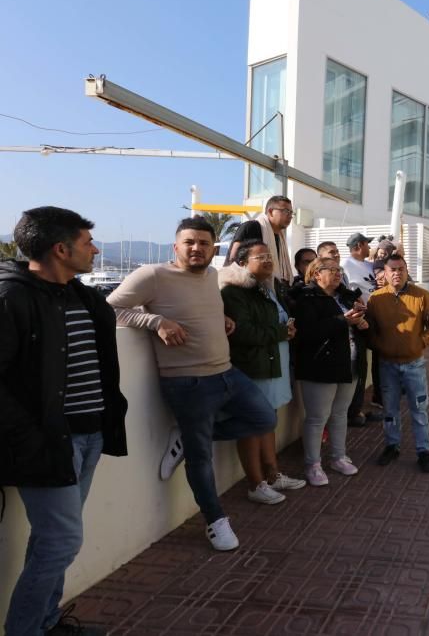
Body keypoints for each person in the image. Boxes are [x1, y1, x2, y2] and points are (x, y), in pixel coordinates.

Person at [109, 216, 277, 552]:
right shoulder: (153, 275)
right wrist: (155, 320)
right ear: (176, 246)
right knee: (201, 458)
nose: (196, 248)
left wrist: (222, 318)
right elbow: (110, 308)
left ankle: (185, 438)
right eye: (189, 242)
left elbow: (202, 307)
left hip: (226, 372)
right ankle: (215, 521)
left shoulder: (212, 274)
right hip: (187, 381)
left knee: (264, 419)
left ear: (213, 248)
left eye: (203, 243)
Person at [1, 207, 128, 636]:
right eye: (87, 242)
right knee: (62, 542)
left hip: (91, 434)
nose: (95, 250)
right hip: (47, 443)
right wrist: (30, 438)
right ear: (61, 248)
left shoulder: (85, 296)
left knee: (49, 541)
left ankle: (47, 622)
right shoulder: (12, 297)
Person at [219, 240, 306, 500]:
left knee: (268, 421)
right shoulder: (234, 292)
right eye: (261, 256)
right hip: (253, 368)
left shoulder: (267, 288)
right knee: (251, 425)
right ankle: (256, 484)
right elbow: (241, 332)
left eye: (270, 255)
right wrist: (281, 332)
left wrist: (287, 330)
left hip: (272, 363)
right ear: (243, 262)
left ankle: (273, 474)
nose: (268, 260)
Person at [293, 258, 368, 484]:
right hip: (320, 366)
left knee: (339, 414)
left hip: (349, 363)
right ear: (316, 274)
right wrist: (342, 321)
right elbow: (307, 332)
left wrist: (362, 322)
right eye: (332, 270)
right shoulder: (306, 298)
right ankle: (313, 465)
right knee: (317, 418)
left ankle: (338, 457)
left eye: (339, 270)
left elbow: (353, 325)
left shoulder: (346, 296)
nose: (337, 274)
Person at [366, 254, 429, 473]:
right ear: (385, 274)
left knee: (419, 410)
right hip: (387, 365)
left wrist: (420, 343)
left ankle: (423, 451)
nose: (397, 273)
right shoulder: (376, 299)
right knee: (390, 410)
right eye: (392, 270)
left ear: (407, 271)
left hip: (413, 364)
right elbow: (370, 329)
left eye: (401, 269)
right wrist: (379, 345)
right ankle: (392, 445)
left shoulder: (422, 296)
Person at [342, 232, 379, 427]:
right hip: (357, 322)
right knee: (358, 366)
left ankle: (358, 408)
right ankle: (352, 412)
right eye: (367, 244)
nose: (369, 248)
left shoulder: (370, 264)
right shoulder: (346, 267)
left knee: (367, 366)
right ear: (359, 246)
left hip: (373, 320)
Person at [226, 195, 296, 291]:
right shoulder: (251, 227)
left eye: (291, 212)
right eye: (285, 211)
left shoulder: (280, 237)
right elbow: (233, 259)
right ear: (271, 211)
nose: (290, 216)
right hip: (244, 289)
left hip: (270, 291)